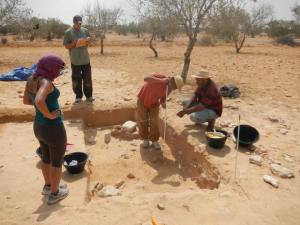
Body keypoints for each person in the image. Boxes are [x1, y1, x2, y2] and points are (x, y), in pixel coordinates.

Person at [23, 53, 69, 205]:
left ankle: (48, 186)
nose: (58, 72)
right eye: (57, 68)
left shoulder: (32, 79)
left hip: (38, 126)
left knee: (46, 157)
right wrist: (49, 115)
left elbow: (26, 101)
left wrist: (41, 111)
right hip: (53, 128)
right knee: (57, 161)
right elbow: (38, 100)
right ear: (50, 68)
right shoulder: (46, 83)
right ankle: (55, 194)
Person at [137, 73, 184, 150]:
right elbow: (146, 78)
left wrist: (163, 103)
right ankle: (145, 139)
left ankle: (154, 140)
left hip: (154, 104)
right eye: (175, 86)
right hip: (143, 99)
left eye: (176, 88)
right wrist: (162, 81)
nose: (174, 89)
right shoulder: (161, 77)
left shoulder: (169, 89)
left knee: (154, 122)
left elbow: (163, 98)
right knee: (143, 120)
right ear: (172, 80)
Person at [63, 15, 94, 104]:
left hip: (85, 59)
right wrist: (73, 43)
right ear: (74, 23)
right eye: (77, 23)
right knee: (76, 79)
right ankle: (78, 96)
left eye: (80, 23)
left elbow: (88, 43)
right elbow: (66, 46)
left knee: (87, 78)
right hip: (75, 60)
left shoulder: (85, 30)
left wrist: (87, 42)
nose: (79, 25)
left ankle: (89, 96)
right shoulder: (68, 32)